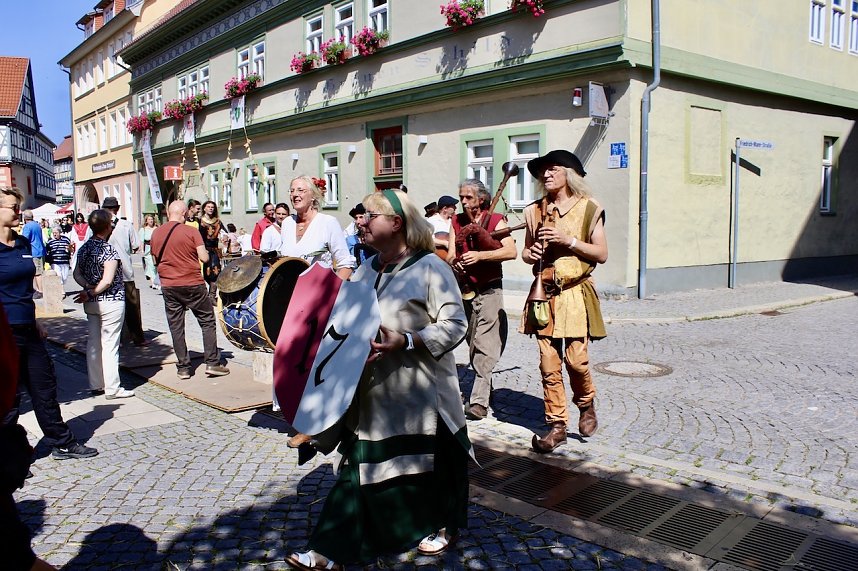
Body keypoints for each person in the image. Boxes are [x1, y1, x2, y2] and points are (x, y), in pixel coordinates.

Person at [286, 189, 471, 570]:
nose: (360, 222)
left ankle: (443, 525)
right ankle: (332, 550)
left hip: (419, 392)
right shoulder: (367, 267)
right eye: (360, 215)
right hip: (369, 390)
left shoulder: (431, 268)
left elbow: (456, 325)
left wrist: (407, 340)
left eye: (369, 215)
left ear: (396, 224)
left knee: (434, 464)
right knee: (361, 466)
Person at [0, 187, 98, 460]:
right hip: (4, 333)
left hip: (28, 329)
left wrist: (36, 320)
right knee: (8, 398)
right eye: (12, 207)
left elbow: (25, 289)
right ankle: (9, 455)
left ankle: (60, 441)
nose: (19, 211)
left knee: (44, 387)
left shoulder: (20, 244)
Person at [520, 150, 608, 452]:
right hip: (543, 294)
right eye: (543, 171)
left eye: (553, 169)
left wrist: (566, 240)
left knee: (576, 361)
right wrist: (529, 254)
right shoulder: (534, 211)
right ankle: (556, 425)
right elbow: (526, 251)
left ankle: (586, 404)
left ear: (568, 173)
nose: (546, 175)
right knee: (548, 363)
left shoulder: (589, 208)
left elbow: (601, 254)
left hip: (574, 292)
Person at [448, 180, 517, 421]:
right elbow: (449, 252)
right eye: (461, 197)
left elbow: (510, 251)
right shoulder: (456, 221)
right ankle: (485, 385)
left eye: (468, 197)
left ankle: (478, 402)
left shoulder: (496, 219)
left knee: (484, 344)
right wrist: (455, 261)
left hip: (489, 290)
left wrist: (481, 256)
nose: (463, 202)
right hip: (466, 289)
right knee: (472, 342)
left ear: (481, 199)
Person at [150, 200, 230, 380]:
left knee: (176, 326)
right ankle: (212, 363)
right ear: (184, 213)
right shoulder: (191, 231)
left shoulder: (156, 233)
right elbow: (204, 258)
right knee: (207, 320)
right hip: (192, 283)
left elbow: (155, 261)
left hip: (169, 286)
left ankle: (183, 368)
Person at [73, 210, 135, 400]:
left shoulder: (84, 248)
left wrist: (87, 287)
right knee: (110, 345)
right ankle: (112, 388)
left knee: (93, 343)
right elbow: (108, 280)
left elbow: (76, 274)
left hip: (92, 303)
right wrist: (93, 290)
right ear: (108, 226)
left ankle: (96, 384)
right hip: (111, 301)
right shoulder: (107, 249)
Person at [279, 176, 354, 279]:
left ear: (313, 195)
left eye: (300, 190)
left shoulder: (328, 223)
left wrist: (331, 291)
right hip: (290, 291)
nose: (295, 194)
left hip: (319, 291)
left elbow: (346, 264)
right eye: (292, 191)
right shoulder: (287, 223)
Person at [101, 197, 146, 347]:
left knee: (110, 306)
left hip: (105, 272)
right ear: (117, 209)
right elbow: (135, 246)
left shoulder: (97, 224)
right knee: (132, 307)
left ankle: (115, 339)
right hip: (125, 271)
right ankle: (138, 338)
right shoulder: (126, 225)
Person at [199, 200, 225, 306]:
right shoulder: (200, 221)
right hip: (203, 249)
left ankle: (212, 295)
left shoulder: (217, 222)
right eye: (208, 207)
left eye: (212, 207)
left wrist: (224, 237)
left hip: (214, 250)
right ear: (204, 208)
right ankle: (205, 296)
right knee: (205, 273)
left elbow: (224, 232)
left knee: (216, 272)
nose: (210, 208)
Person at [20, 210, 45, 299]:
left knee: (37, 272)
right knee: (36, 272)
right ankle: (37, 289)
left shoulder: (27, 226)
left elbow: (24, 239)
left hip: (34, 251)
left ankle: (40, 291)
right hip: (40, 249)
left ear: (25, 218)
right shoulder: (37, 225)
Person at [138, 214, 159, 289]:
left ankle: (157, 281)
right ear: (146, 221)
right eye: (149, 219)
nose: (151, 221)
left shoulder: (156, 229)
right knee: (151, 266)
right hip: (148, 250)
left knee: (156, 266)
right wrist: (142, 250)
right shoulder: (143, 229)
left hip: (156, 248)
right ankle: (153, 282)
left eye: (152, 219)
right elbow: (141, 241)